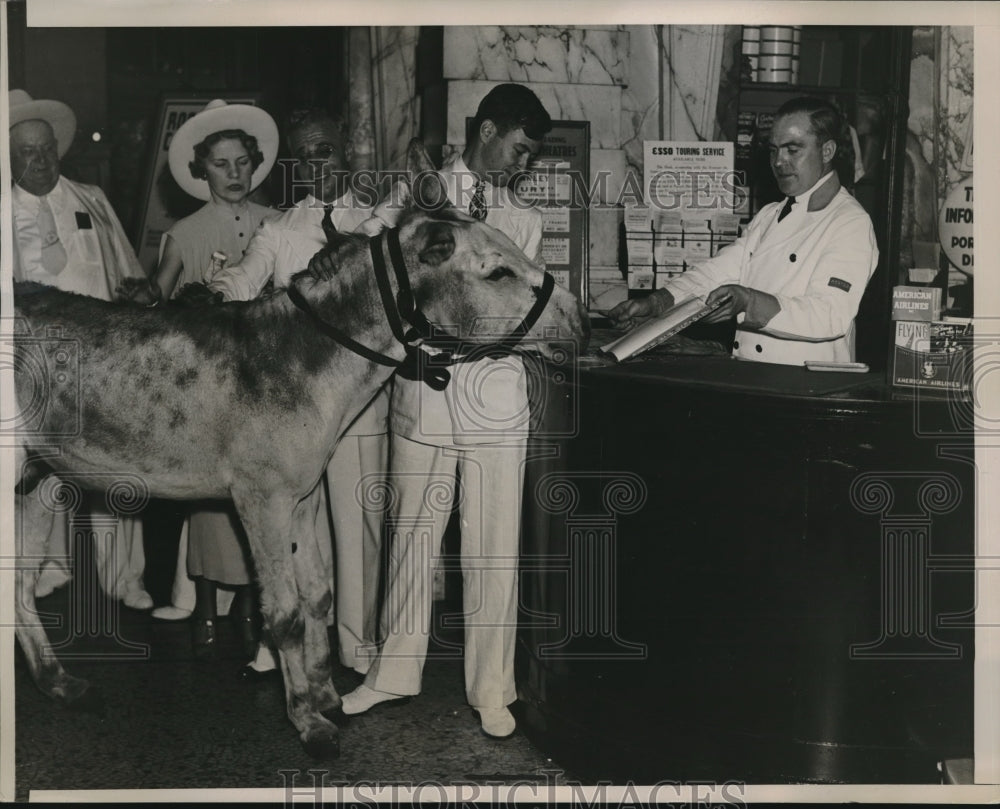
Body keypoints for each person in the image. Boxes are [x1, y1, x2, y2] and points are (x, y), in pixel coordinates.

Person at [338, 83, 552, 739]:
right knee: (412, 534)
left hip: (493, 384)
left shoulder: (525, 221)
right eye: (518, 151)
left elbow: (523, 306)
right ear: (487, 130)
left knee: (493, 546)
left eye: (530, 157)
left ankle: (493, 688)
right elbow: (369, 264)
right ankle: (392, 672)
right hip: (426, 382)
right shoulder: (418, 192)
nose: (522, 167)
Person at [207, 107, 387, 680]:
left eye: (324, 152)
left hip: (359, 404)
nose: (316, 165)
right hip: (296, 411)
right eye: (304, 157)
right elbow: (246, 275)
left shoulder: (378, 223)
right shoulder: (281, 230)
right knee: (289, 525)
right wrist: (218, 288)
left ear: (344, 154)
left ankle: (357, 646)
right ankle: (284, 637)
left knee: (357, 526)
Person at [119, 99, 282, 658]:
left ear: (255, 164)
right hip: (215, 381)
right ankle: (208, 600)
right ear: (201, 170)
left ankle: (258, 603)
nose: (233, 174)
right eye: (220, 164)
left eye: (242, 163)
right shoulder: (185, 232)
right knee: (215, 496)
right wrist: (145, 297)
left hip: (273, 379)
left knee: (272, 492)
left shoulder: (280, 224)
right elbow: (159, 291)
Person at [10, 89, 153, 610]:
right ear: (8, 156)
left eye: (46, 148)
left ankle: (125, 577)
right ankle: (51, 564)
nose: (41, 160)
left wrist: (142, 305)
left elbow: (129, 275)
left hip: (105, 357)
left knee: (116, 462)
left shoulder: (91, 198)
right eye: (27, 151)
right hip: (39, 361)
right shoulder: (2, 213)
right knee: (45, 465)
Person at [610, 96, 879, 366]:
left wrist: (749, 302)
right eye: (774, 150)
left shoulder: (849, 221)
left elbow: (829, 315)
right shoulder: (769, 215)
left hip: (807, 386)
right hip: (754, 374)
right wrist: (658, 303)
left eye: (793, 150)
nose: (779, 162)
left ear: (827, 151)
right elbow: (716, 272)